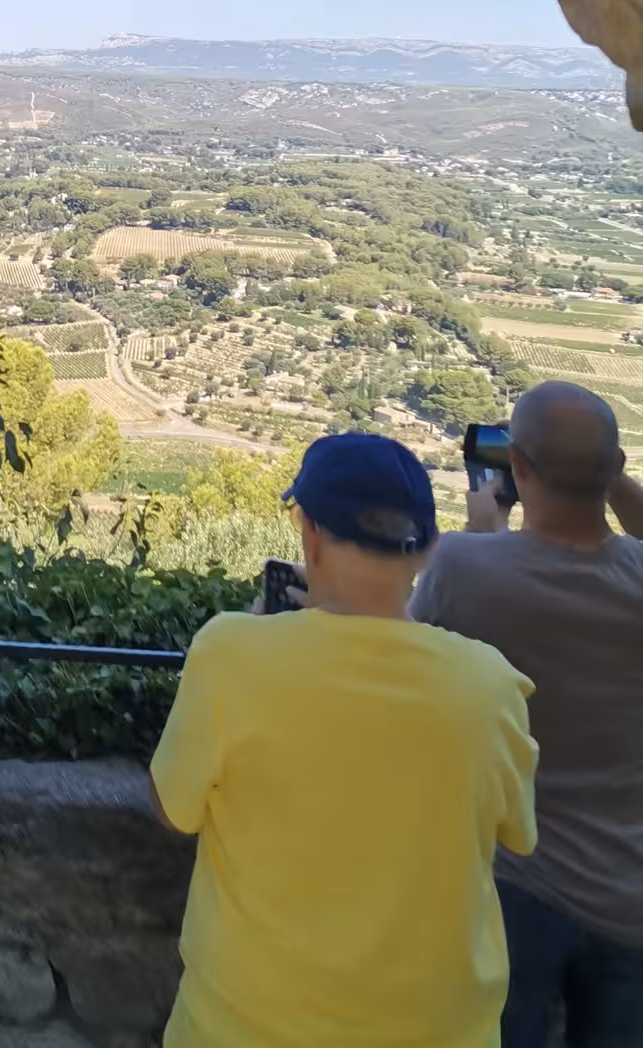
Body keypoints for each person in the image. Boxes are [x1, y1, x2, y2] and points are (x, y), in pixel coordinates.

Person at [150, 432, 537, 1048]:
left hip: (243, 1027)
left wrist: (257, 630)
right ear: (431, 548)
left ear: (307, 531)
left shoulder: (232, 654)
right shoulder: (490, 686)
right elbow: (516, 832)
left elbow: (174, 811)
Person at [410, 381, 643, 1047]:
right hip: (630, 894)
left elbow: (412, 665)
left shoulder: (463, 565)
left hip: (511, 888)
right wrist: (609, 478)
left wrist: (490, 531)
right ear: (614, 468)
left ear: (518, 468)